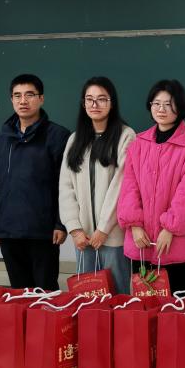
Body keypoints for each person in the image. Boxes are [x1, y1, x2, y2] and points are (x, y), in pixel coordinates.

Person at [117, 79, 185, 297]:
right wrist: (134, 225)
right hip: (142, 241)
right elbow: (129, 187)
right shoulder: (138, 143)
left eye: (169, 104)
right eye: (156, 103)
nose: (161, 109)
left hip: (177, 243)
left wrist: (170, 228)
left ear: (180, 107)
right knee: (145, 307)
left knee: (179, 308)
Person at [0, 74, 70, 290]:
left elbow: (65, 186)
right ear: (11, 100)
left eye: (29, 95)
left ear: (41, 98)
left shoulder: (58, 136)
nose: (23, 101)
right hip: (9, 230)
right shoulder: (2, 137)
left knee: (45, 292)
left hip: (43, 231)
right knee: (18, 293)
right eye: (17, 96)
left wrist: (60, 224)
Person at [59, 76, 136, 295]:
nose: (95, 104)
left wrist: (103, 228)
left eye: (102, 99)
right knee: (88, 297)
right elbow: (66, 187)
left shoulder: (126, 136)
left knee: (118, 295)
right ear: (83, 104)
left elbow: (122, 185)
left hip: (113, 236)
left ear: (112, 103)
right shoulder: (75, 140)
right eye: (89, 99)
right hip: (83, 237)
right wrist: (74, 228)